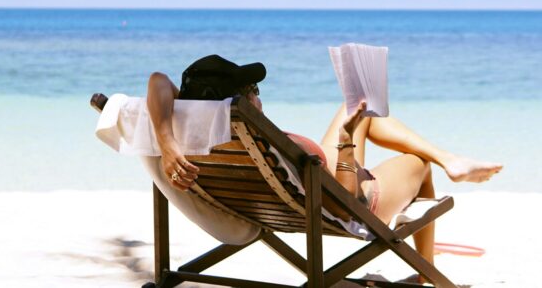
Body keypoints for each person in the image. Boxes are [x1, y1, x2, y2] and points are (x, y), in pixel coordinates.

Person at [145, 54, 503, 278]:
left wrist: (166, 141)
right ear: (241, 101)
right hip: (349, 201)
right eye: (252, 87)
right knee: (420, 164)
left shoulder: (187, 129)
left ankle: (450, 161)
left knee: (358, 110)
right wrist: (346, 145)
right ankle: (427, 270)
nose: (258, 93)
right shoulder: (264, 138)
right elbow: (346, 204)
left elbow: (158, 79)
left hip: (293, 189)